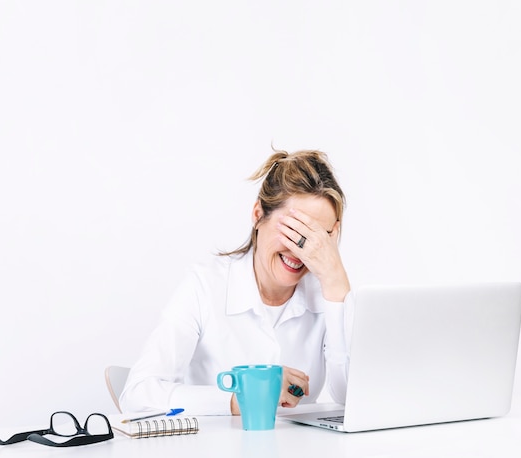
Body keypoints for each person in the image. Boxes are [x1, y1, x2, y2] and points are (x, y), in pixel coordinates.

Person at [119, 148, 353, 416]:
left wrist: (336, 284)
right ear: (257, 215)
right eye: (292, 231)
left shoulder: (329, 295)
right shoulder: (205, 286)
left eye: (317, 239)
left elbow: (350, 396)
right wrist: (245, 395)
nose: (300, 250)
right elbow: (136, 395)